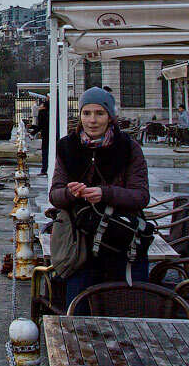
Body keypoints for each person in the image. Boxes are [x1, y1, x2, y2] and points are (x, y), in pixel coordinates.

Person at [50, 86, 150, 309]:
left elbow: (141, 196)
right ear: (80, 115)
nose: (92, 120)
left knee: (126, 314)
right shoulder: (67, 147)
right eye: (87, 113)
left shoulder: (129, 148)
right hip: (81, 247)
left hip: (121, 243)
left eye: (99, 113)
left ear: (110, 117)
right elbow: (55, 195)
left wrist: (106, 193)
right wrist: (70, 192)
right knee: (77, 312)